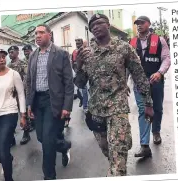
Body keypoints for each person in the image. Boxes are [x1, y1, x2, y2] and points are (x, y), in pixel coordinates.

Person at [74, 13, 154, 176]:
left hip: (118, 110)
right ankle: (120, 159)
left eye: (99, 23)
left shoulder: (123, 47)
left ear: (108, 25)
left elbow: (139, 75)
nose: (95, 27)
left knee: (117, 163)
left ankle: (118, 167)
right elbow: (80, 83)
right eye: (92, 26)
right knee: (108, 152)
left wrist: (148, 103)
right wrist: (79, 64)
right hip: (96, 112)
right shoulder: (87, 52)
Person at [26, 23, 73, 180]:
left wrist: (67, 106)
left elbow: (68, 82)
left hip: (53, 102)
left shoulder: (61, 54)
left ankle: (49, 176)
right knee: (41, 137)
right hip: (37, 102)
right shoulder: (33, 55)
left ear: (49, 34)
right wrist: (29, 104)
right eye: (35, 34)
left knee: (47, 141)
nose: (37, 36)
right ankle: (64, 146)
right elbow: (29, 82)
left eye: (40, 32)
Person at [129, 16, 171, 157]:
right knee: (143, 110)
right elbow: (127, 64)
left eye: (142, 23)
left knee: (157, 108)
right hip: (139, 84)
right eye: (137, 24)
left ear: (148, 24)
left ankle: (156, 131)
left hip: (156, 81)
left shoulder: (159, 40)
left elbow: (166, 58)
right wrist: (124, 83)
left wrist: (160, 72)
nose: (139, 25)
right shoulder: (132, 42)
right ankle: (144, 145)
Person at [0, 47, 26, 181]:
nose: (2, 59)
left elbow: (21, 94)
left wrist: (23, 115)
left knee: (3, 149)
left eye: (3, 57)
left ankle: (9, 177)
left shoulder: (13, 74)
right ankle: (7, 160)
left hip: (9, 114)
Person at [7, 45, 31, 145]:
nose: (10, 54)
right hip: (11, 94)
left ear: (17, 52)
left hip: (21, 93)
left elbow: (26, 77)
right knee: (10, 115)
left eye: (12, 52)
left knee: (23, 113)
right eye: (9, 53)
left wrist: (22, 90)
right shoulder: (8, 65)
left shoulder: (22, 63)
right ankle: (11, 137)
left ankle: (26, 133)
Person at [73, 38, 89, 113]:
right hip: (78, 73)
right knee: (78, 90)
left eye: (79, 43)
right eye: (77, 43)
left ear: (82, 43)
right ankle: (82, 100)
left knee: (85, 90)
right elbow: (73, 62)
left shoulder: (85, 51)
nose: (78, 45)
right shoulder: (74, 52)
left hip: (85, 74)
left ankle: (85, 106)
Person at [22, 44, 35, 132]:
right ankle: (31, 123)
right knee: (28, 104)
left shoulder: (35, 58)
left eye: (27, 51)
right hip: (26, 86)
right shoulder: (22, 61)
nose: (26, 53)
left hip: (35, 85)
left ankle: (35, 121)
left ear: (31, 50)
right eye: (25, 52)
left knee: (34, 103)